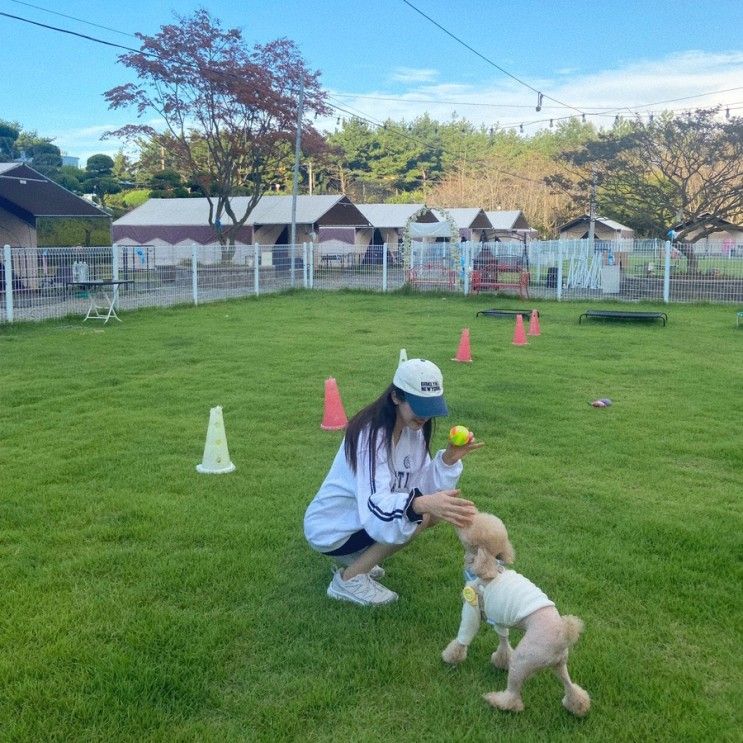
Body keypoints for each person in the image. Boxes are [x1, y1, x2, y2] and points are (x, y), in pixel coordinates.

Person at [304, 357, 483, 606]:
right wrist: (418, 505)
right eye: (419, 405)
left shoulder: (413, 430)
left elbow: (420, 485)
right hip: (331, 527)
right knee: (421, 514)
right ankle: (349, 579)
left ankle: (359, 561)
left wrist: (449, 459)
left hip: (356, 520)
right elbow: (377, 504)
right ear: (396, 397)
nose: (424, 415)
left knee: (427, 512)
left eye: (430, 406)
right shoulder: (371, 436)